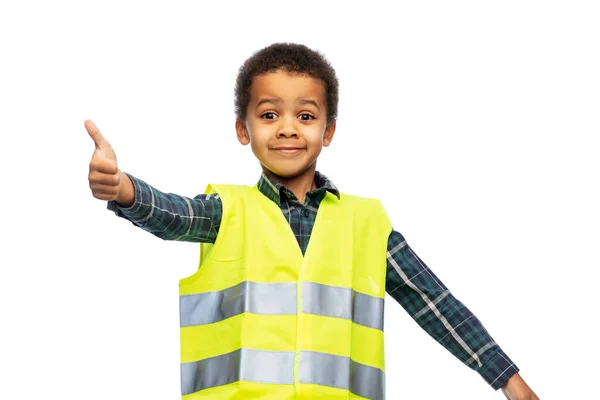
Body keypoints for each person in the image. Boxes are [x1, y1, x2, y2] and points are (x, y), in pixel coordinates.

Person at [85, 42, 538, 399]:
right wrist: (122, 187)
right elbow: (171, 214)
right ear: (243, 130)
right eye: (268, 115)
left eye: (305, 115)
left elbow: (434, 303)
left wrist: (506, 377)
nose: (287, 128)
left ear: (329, 130)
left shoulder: (367, 223)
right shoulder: (227, 211)